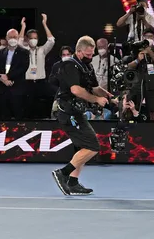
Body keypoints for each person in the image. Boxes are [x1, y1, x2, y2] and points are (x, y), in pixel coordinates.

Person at [51, 36, 112, 196]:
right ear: (78, 51)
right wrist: (96, 100)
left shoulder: (87, 66)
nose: (90, 57)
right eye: (87, 54)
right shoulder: (69, 66)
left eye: (92, 54)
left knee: (82, 147)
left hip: (76, 111)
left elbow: (95, 87)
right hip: (67, 112)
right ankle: (63, 173)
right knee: (92, 146)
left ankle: (73, 182)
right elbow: (76, 90)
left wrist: (108, 96)